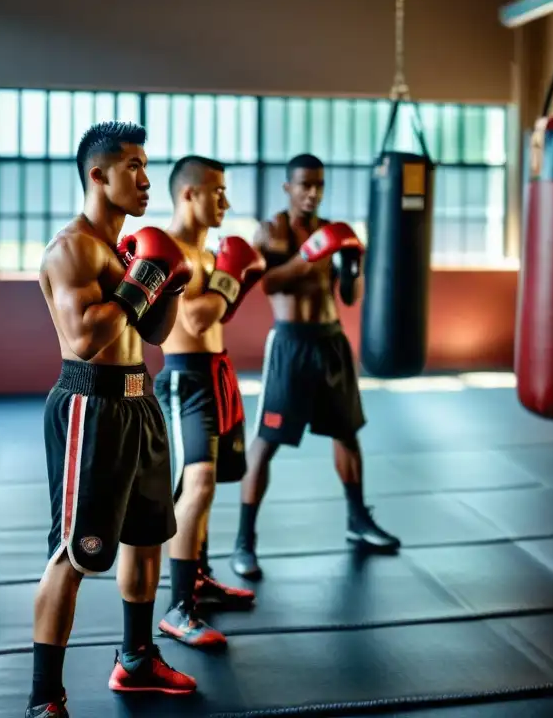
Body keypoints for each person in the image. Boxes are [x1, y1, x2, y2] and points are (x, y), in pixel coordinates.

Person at [28, 121, 197, 718]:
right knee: (74, 554)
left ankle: (136, 658)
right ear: (98, 175)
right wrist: (144, 277)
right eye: (133, 167)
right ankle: (45, 696)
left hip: (139, 401)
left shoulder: (124, 251)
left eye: (148, 165)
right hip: (90, 404)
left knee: (148, 537)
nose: (147, 179)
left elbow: (151, 335)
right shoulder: (72, 248)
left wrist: (168, 284)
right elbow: (85, 336)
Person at [231, 153, 399, 581]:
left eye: (319, 185)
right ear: (288, 187)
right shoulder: (271, 231)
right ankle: (244, 541)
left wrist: (352, 264)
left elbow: (349, 297)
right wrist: (310, 255)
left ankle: (358, 520)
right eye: (304, 184)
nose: (312, 192)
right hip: (291, 343)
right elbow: (267, 283)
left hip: (331, 342)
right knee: (267, 441)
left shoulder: (332, 232)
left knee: (347, 433)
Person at [153, 155, 265, 649]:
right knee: (194, 484)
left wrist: (228, 278)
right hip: (184, 381)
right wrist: (231, 276)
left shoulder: (207, 254)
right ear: (189, 194)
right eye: (217, 191)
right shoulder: (166, 250)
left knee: (209, 487)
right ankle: (178, 608)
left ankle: (197, 576)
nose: (226, 201)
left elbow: (217, 316)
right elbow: (193, 322)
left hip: (216, 372)